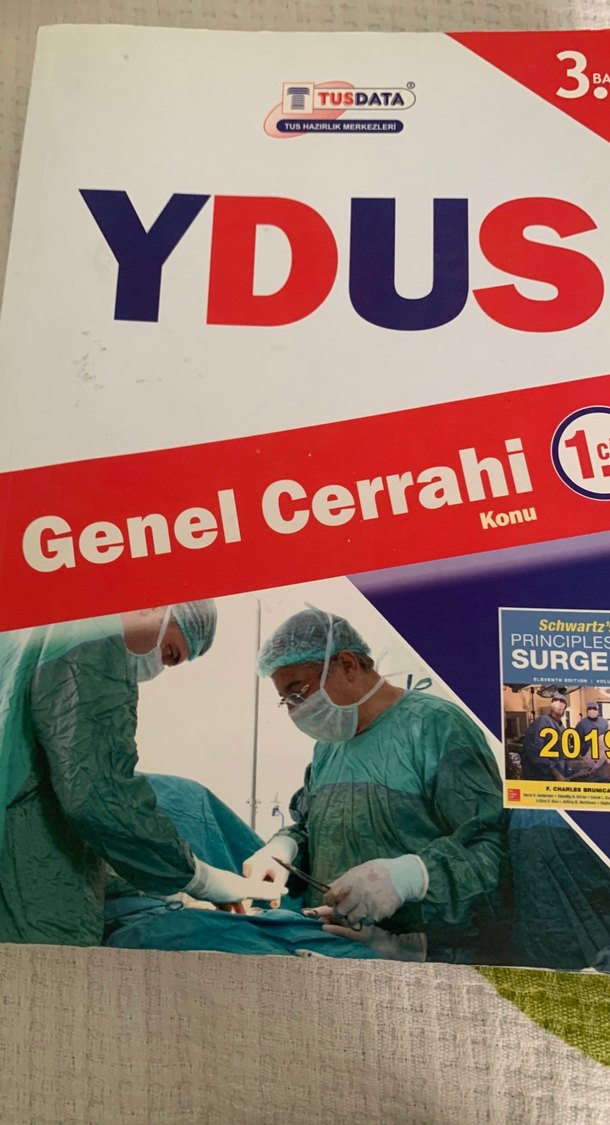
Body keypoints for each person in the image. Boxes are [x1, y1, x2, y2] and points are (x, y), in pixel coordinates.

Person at [0, 601, 278, 946]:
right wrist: (199, 879)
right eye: (170, 652)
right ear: (154, 605)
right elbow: (99, 796)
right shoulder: (94, 637)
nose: (159, 666)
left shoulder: (28, 630)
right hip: (29, 883)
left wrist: (165, 887)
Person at [244, 608, 509, 964]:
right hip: (330, 948)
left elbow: (490, 850)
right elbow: (314, 828)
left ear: (348, 664)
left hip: (427, 957)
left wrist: (409, 877)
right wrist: (285, 847)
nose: (295, 710)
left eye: (299, 692)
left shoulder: (436, 726)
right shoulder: (328, 747)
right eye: (286, 700)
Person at [519, 693, 567, 782]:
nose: (559, 703)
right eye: (556, 700)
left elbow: (561, 752)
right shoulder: (543, 721)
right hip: (541, 775)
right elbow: (536, 752)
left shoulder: (561, 727)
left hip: (556, 773)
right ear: (551, 705)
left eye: (562, 701)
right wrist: (555, 773)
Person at [570, 702, 610, 780]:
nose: (592, 710)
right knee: (587, 775)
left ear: (598, 710)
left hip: (602, 757)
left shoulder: (605, 723)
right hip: (586, 755)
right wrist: (579, 756)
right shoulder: (581, 724)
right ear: (586, 710)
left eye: (594, 708)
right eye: (590, 708)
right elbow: (574, 741)